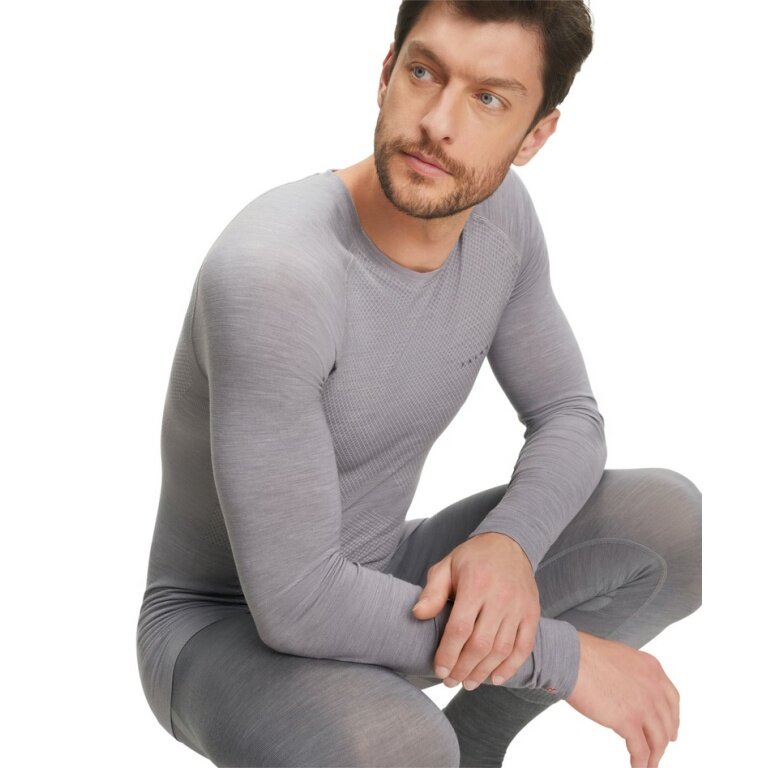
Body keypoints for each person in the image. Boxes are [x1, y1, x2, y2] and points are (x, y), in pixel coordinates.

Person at [136, 1, 702, 766]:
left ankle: (474, 751)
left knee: (674, 526)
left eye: (489, 98)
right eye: (425, 72)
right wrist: (563, 658)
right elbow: (296, 602)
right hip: (225, 629)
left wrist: (508, 542)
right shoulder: (276, 275)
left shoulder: (499, 218)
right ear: (386, 73)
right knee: (403, 745)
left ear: (535, 136)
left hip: (382, 576)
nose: (438, 124)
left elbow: (569, 416)